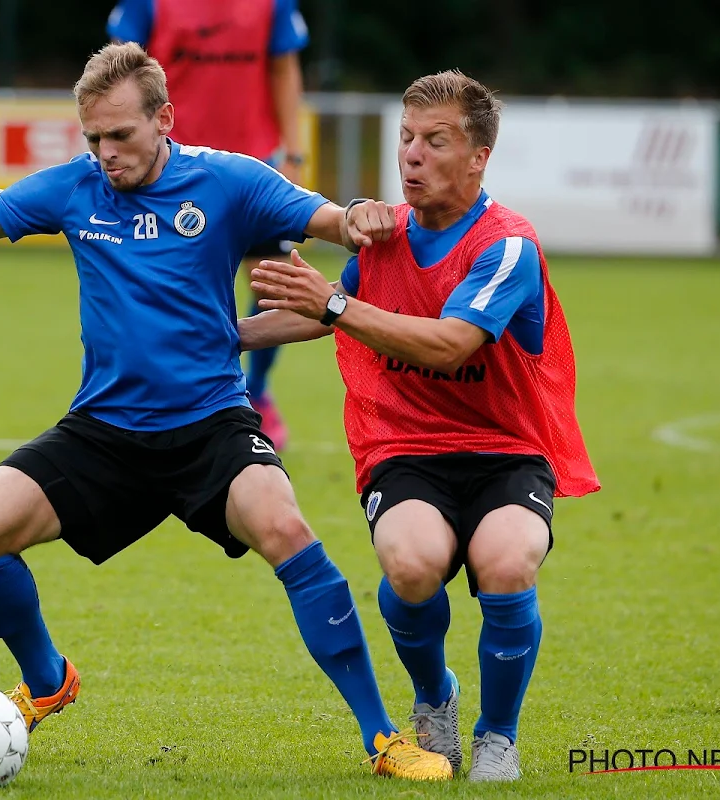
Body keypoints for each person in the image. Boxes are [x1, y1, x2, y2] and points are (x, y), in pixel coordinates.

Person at [0, 43, 452, 781]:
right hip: (103, 432)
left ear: (163, 119)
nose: (106, 154)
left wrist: (363, 214)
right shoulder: (73, 191)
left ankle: (382, 738)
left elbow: (337, 222)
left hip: (210, 427)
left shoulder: (231, 182)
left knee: (287, 529)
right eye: (94, 138)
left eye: (121, 136)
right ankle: (48, 679)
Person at [239, 70, 600, 781]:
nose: (412, 155)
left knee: (506, 561)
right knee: (409, 564)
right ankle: (435, 696)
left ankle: (499, 732)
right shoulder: (381, 238)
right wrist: (221, 336)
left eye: (436, 141)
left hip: (507, 451)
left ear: (478, 158)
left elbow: (448, 342)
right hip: (406, 448)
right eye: (406, 138)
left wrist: (332, 307)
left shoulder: (507, 247)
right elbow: (325, 308)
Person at [108, 0, 311, 448]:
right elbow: (119, 72)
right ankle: (173, 392)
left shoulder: (272, 5)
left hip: (255, 169)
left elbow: (283, 69)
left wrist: (293, 152)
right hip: (171, 169)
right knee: (167, 287)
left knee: (275, 281)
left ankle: (255, 392)